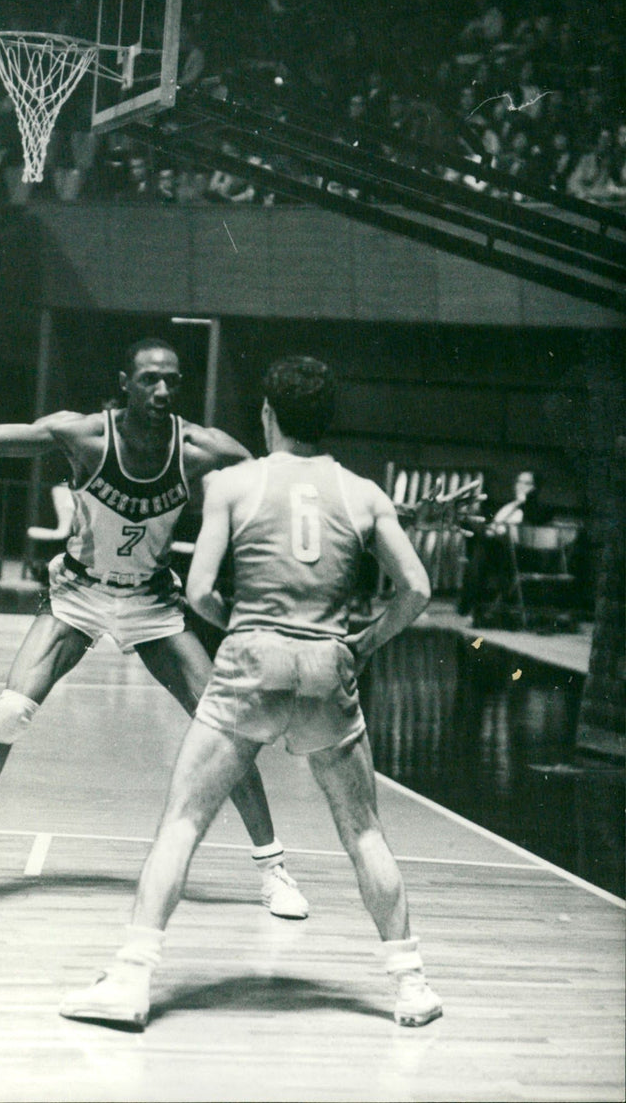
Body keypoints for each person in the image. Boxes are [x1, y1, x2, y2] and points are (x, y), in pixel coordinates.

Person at [0, 325, 309, 922]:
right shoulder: (85, 435)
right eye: (150, 379)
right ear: (125, 385)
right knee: (11, 712)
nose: (164, 389)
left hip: (152, 603)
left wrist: (387, 514)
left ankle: (274, 871)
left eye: (174, 380)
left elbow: (289, 488)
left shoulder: (204, 449)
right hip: (78, 595)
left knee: (225, 727)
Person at [59, 357, 442, 1030]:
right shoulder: (364, 492)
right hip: (329, 664)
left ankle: (130, 979)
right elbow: (418, 590)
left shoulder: (234, 483)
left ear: (267, 414)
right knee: (363, 831)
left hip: (251, 658)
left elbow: (201, 588)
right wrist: (364, 643)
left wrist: (246, 630)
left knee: (182, 822)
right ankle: (411, 984)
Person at [458, 469, 553, 622]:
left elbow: (533, 524)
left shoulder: (538, 509)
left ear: (534, 488)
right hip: (498, 551)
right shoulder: (508, 505)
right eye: (519, 481)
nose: (520, 486)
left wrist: (524, 503)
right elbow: (496, 522)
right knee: (479, 547)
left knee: (480, 551)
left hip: (520, 555)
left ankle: (468, 607)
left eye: (526, 483)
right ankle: (472, 607)